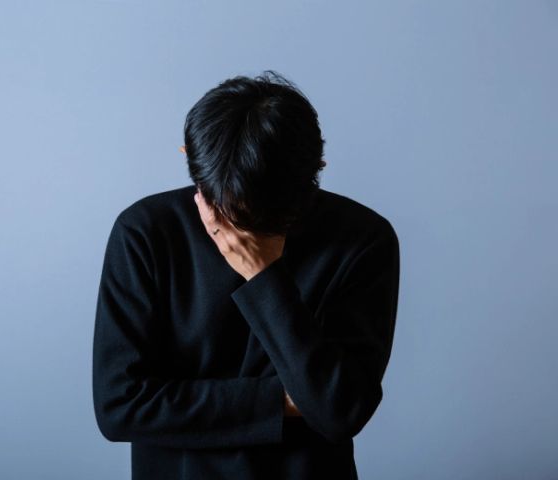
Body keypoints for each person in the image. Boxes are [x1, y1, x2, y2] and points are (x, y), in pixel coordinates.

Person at [92, 70, 401, 479]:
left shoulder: (362, 239)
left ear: (318, 168)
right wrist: (282, 401)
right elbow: (119, 406)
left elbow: (340, 410)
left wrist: (264, 273)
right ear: (190, 160)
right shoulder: (145, 232)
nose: (239, 227)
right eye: (223, 201)